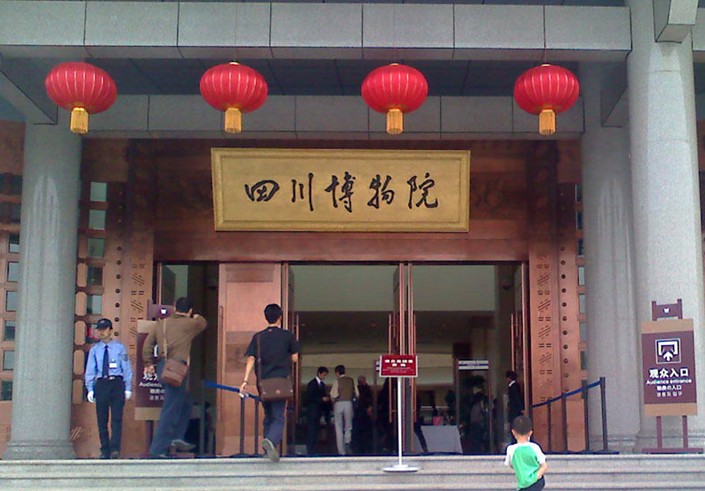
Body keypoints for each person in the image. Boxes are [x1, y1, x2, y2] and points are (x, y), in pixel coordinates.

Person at [143, 297, 207, 458]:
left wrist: (148, 363)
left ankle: (176, 438)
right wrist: (194, 316)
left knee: (185, 402)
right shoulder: (190, 324)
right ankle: (157, 449)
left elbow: (148, 344)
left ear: (174, 307)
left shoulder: (161, 324)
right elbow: (203, 323)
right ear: (189, 310)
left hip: (162, 367)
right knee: (170, 409)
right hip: (177, 369)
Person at [240, 303, 300, 462]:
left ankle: (267, 450)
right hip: (281, 381)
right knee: (279, 416)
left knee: (269, 416)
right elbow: (295, 358)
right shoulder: (288, 335)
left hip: (264, 383)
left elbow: (251, 359)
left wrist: (245, 380)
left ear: (266, 317)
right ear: (280, 317)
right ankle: (271, 441)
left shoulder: (258, 337)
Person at [85, 318, 133, 459]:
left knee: (116, 418)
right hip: (102, 384)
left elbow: (126, 368)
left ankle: (115, 449)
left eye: (105, 329)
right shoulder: (95, 350)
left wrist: (127, 387)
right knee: (102, 419)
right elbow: (90, 370)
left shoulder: (119, 348)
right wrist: (90, 388)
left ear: (111, 331)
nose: (102, 332)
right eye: (99, 329)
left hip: (116, 383)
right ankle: (105, 449)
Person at [504, 415, 548, 491]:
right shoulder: (535, 447)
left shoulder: (511, 449)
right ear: (530, 433)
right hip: (536, 481)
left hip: (523, 483)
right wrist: (535, 476)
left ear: (513, 432)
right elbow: (544, 466)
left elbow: (511, 464)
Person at [329, 364, 358, 455]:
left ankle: (341, 451)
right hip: (348, 403)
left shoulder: (336, 381)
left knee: (338, 426)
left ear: (337, 372)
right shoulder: (351, 380)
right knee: (348, 425)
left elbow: (333, 394)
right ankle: (347, 441)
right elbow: (357, 394)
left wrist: (332, 400)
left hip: (338, 403)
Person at [305, 366, 329, 456]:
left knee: (316, 430)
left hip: (318, 411)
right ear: (319, 373)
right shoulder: (312, 384)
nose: (324, 377)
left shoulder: (322, 385)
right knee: (311, 430)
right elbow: (309, 397)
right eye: (324, 375)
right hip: (312, 410)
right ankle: (310, 449)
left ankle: (314, 449)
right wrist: (321, 399)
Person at [352, 375, 374, 455]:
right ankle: (367, 448)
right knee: (366, 432)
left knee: (358, 432)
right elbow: (370, 399)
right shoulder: (367, 389)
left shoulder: (356, 389)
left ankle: (359, 449)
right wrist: (370, 407)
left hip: (358, 413)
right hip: (365, 413)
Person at [506, 370, 525, 443]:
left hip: (515, 411)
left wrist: (521, 408)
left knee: (514, 426)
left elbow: (517, 398)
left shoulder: (514, 386)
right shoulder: (513, 386)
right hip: (514, 411)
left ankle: (515, 441)